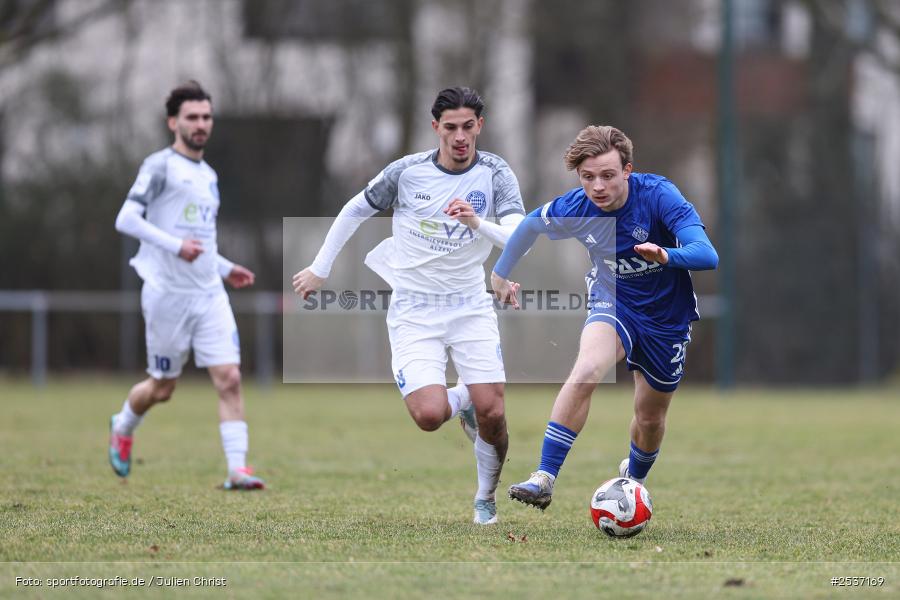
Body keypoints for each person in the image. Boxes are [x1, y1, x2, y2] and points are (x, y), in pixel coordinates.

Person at [292, 87, 526, 524]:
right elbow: (354, 210)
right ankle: (465, 400)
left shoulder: (495, 173)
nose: (460, 136)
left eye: (468, 127)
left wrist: (476, 222)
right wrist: (320, 268)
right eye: (451, 127)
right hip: (414, 312)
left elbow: (517, 234)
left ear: (480, 126)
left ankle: (485, 498)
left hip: (470, 306)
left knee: (494, 413)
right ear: (436, 127)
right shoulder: (407, 173)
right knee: (429, 414)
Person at [491, 125, 718, 510]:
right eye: (588, 177)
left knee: (649, 418)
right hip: (613, 301)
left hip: (667, 317)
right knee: (587, 369)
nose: (597, 186)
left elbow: (707, 254)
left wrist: (667, 255)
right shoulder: (576, 207)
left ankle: (633, 483)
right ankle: (544, 477)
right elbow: (530, 225)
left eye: (608, 175)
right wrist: (499, 273)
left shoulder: (658, 195)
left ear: (627, 170)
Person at [108, 81, 264, 491]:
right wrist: (175, 247)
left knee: (229, 377)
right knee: (162, 389)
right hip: (166, 294)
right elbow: (126, 219)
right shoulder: (159, 166)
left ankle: (237, 470)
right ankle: (123, 424)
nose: (201, 124)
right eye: (192, 117)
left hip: (209, 293)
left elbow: (201, 240)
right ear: (172, 122)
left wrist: (225, 268)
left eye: (206, 117)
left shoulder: (209, 176)